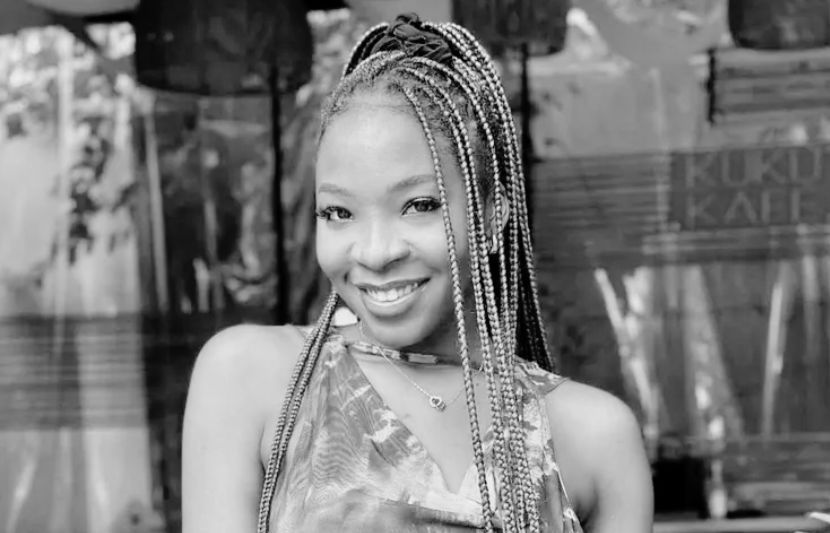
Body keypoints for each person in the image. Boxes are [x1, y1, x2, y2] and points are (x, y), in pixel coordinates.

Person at [182, 13, 653, 533]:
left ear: (490, 215)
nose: (375, 252)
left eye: (418, 205)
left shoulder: (595, 437)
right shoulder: (250, 377)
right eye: (338, 212)